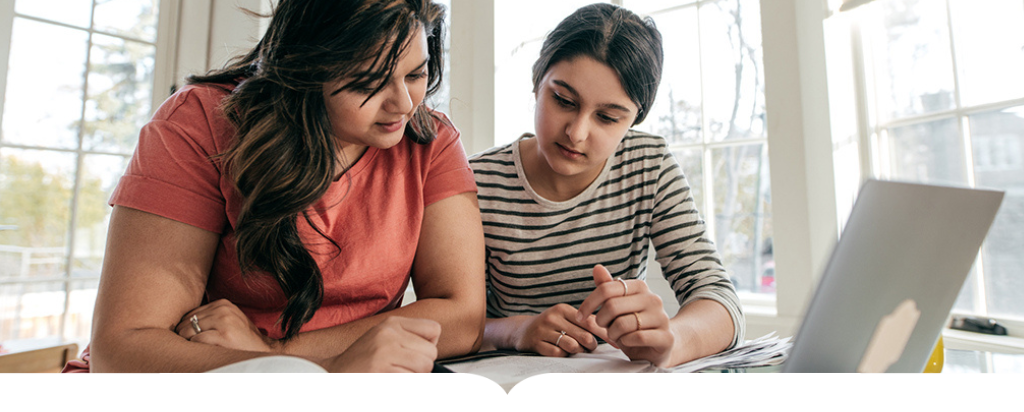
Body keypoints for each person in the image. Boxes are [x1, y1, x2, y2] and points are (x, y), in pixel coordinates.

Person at [85, 0, 485, 373]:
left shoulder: (429, 139)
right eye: (369, 83)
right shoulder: (201, 123)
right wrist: (327, 371)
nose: (403, 103)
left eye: (416, 74)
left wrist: (275, 354)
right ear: (306, 69)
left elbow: (462, 318)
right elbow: (121, 350)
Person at [470, 3, 744, 368]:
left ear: (634, 119)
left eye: (608, 117)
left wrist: (673, 341)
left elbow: (719, 298)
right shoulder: (477, 180)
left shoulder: (648, 165)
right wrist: (516, 331)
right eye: (563, 101)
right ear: (538, 81)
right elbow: (448, 321)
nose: (577, 133)